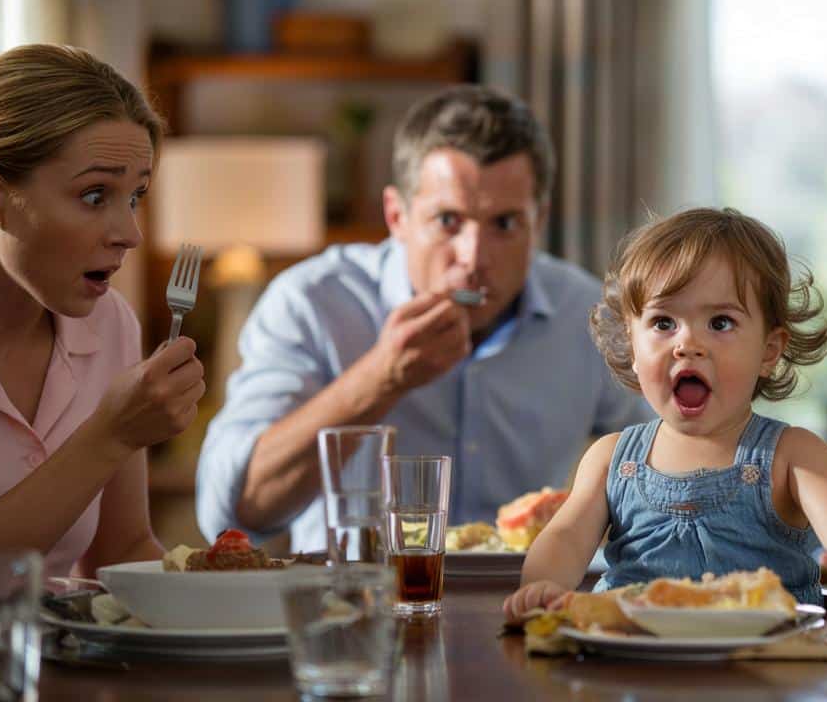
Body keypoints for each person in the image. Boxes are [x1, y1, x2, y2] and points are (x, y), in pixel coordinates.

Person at [196, 85, 653, 551]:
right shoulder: (311, 302)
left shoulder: (586, 312)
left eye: (505, 224)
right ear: (397, 215)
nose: (474, 258)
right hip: (358, 605)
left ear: (539, 221)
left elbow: (667, 456)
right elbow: (230, 514)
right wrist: (380, 378)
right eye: (448, 221)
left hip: (532, 607)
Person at [0, 44, 205, 623]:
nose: (129, 232)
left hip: (59, 669)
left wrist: (230, 615)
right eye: (94, 195)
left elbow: (123, 553)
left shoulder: (111, 324)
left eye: (135, 196)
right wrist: (110, 434)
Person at [503, 208, 827, 632]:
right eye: (663, 322)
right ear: (631, 343)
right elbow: (566, 536)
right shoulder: (610, 459)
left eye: (720, 323)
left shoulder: (792, 455)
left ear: (769, 351)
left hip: (765, 664)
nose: (688, 344)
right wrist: (543, 586)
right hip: (633, 659)